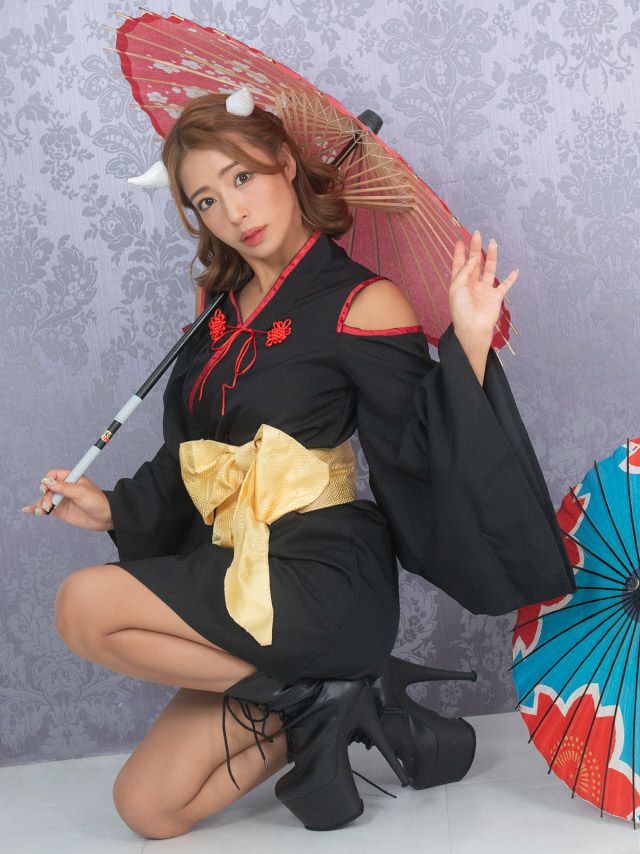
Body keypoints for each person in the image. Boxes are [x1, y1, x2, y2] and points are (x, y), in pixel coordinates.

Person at [23, 91, 574, 838]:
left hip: (324, 575)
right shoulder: (218, 310)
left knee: (83, 605)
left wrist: (467, 345)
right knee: (148, 808)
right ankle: (326, 696)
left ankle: (319, 685)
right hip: (242, 569)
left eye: (242, 177)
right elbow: (197, 454)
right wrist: (112, 507)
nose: (233, 212)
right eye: (206, 200)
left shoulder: (361, 301)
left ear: (285, 162)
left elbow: (418, 452)